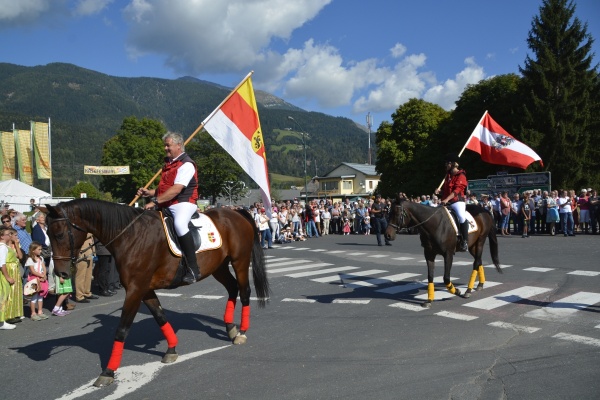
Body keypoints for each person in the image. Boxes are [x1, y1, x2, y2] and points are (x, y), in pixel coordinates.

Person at [137, 132, 199, 285]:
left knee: (179, 224)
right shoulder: (169, 164)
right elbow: (164, 189)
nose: (165, 148)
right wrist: (149, 193)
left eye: (168, 145)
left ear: (179, 145)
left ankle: (193, 268)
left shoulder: (187, 164)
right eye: (165, 145)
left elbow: (176, 189)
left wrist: (155, 202)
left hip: (183, 203)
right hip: (168, 202)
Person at [437, 153, 468, 251]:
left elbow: (457, 191)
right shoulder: (448, 176)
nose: (445, 165)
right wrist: (440, 192)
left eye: (447, 163)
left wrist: (446, 199)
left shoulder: (461, 175)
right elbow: (447, 191)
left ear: (453, 164)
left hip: (457, 201)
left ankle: (465, 241)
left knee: (461, 217)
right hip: (447, 201)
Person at [3, 229, 24, 324]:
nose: (16, 237)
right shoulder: (5, 246)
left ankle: (16, 312)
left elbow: (20, 256)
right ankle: (8, 314)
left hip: (16, 268)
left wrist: (16, 245)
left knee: (16, 291)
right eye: (15, 235)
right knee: (9, 292)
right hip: (9, 268)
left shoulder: (15, 245)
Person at [25, 242, 49, 321]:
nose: (40, 251)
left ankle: (40, 311)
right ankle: (33, 313)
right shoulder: (30, 259)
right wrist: (41, 276)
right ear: (33, 250)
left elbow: (44, 267)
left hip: (41, 278)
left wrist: (44, 275)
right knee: (34, 296)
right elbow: (33, 271)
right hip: (34, 279)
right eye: (39, 249)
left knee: (40, 296)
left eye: (41, 249)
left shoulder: (41, 258)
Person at [0, 228, 17, 330]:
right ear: (2, 236)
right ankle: (1, 322)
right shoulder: (2, 247)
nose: (9, 236)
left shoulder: (4, 246)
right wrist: (7, 277)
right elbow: (1, 263)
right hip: (2, 276)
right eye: (7, 234)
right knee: (3, 297)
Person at [74, 234, 98, 303]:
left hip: (89, 252)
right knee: (80, 275)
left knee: (88, 275)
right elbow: (80, 235)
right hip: (82, 252)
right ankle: (79, 295)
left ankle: (87, 292)